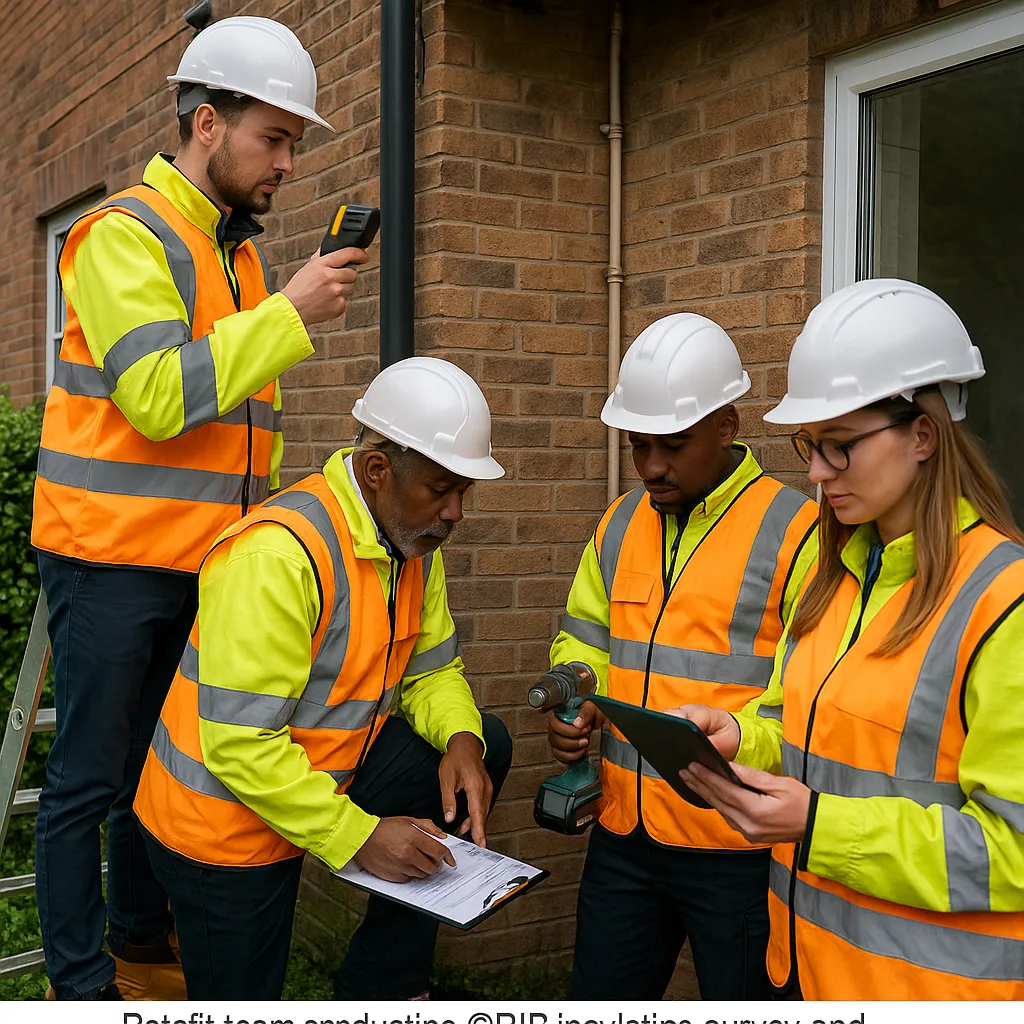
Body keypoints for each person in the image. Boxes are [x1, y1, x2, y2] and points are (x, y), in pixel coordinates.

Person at [29, 16, 367, 1001]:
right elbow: (157, 396)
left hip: (200, 562)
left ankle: (140, 949)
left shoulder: (239, 255)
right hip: (111, 558)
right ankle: (82, 989)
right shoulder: (120, 233)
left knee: (152, 774)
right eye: (276, 138)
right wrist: (289, 314)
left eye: (295, 143)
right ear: (208, 123)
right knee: (87, 783)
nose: (289, 163)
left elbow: (238, 424)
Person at [678, 279, 1024, 1000]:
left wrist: (818, 826)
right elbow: (807, 736)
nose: (815, 472)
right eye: (811, 445)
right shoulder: (833, 580)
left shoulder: (1005, 603)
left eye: (839, 447)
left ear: (923, 435)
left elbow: (1014, 849)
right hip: (807, 973)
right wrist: (741, 738)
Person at [133, 357, 514, 1001]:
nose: (455, 512)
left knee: (489, 739)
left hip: (319, 770)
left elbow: (433, 670)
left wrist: (462, 740)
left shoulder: (412, 543)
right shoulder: (277, 555)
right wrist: (358, 837)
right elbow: (240, 744)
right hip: (219, 824)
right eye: (441, 489)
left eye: (464, 493)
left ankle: (381, 988)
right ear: (377, 470)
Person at [547, 313, 818, 999]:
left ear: (727, 426)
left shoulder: (799, 533)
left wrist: (738, 746)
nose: (651, 467)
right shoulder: (619, 522)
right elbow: (585, 637)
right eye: (638, 446)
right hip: (623, 833)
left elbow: (805, 706)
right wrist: (576, 696)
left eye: (672, 445)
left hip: (739, 846)